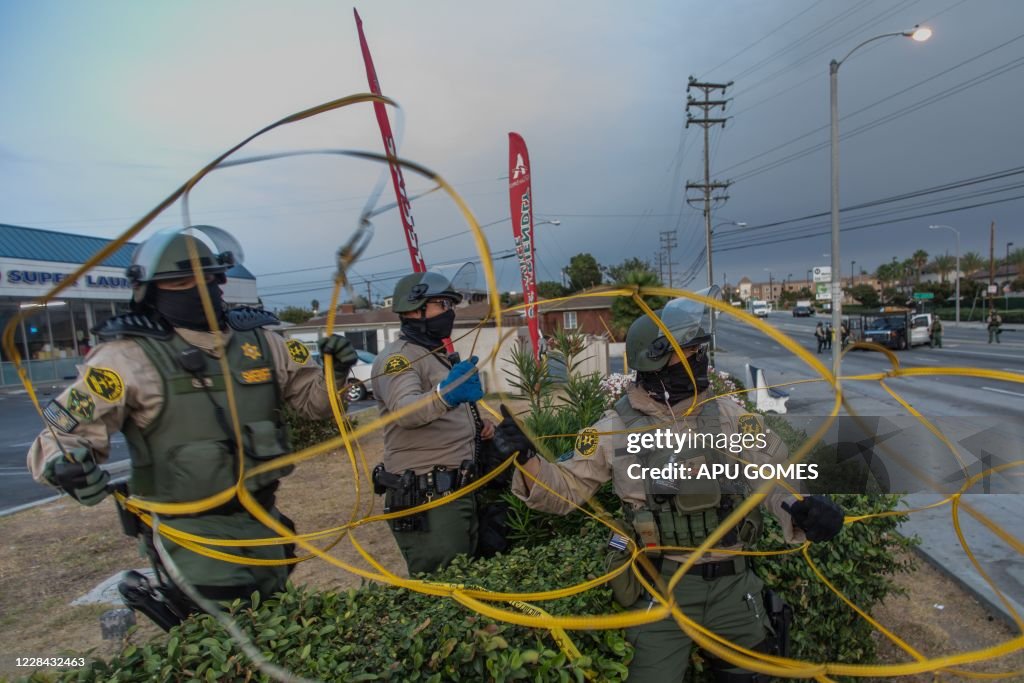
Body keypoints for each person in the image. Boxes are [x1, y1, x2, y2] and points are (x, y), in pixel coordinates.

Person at [494, 288, 845, 683]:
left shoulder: (730, 415)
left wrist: (803, 508)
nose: (702, 360)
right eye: (690, 353)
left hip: (733, 585)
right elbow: (567, 489)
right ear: (656, 362)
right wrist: (527, 461)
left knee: (757, 675)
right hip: (662, 590)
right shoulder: (612, 428)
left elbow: (775, 475)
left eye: (700, 351)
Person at [26, 225, 358, 630]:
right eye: (181, 282)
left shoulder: (263, 341)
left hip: (264, 521)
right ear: (151, 291)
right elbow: (61, 432)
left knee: (281, 629)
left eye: (208, 278)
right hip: (192, 536)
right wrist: (66, 464)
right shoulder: (125, 357)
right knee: (227, 642)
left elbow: (314, 406)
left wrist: (335, 372)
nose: (199, 289)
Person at [370, 270, 496, 574]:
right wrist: (446, 393)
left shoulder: (434, 355)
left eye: (451, 305)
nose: (449, 312)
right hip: (429, 497)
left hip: (456, 491)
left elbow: (447, 413)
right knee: (445, 592)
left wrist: (481, 426)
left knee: (469, 584)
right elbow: (406, 411)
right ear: (415, 308)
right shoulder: (398, 360)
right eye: (442, 304)